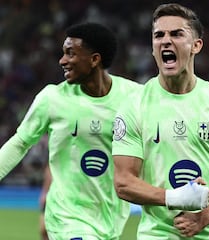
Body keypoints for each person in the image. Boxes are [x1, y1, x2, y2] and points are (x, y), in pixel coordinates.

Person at [112, 3, 209, 239]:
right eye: (159, 35)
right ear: (153, 47)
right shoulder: (133, 105)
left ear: (196, 45)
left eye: (177, 34)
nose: (166, 41)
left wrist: (205, 217)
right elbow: (123, 182)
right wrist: (176, 198)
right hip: (158, 234)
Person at [0, 22, 141, 239]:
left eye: (70, 54)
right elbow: (20, 142)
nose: (62, 60)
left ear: (95, 59)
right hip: (66, 216)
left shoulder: (134, 97)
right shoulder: (52, 98)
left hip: (111, 216)